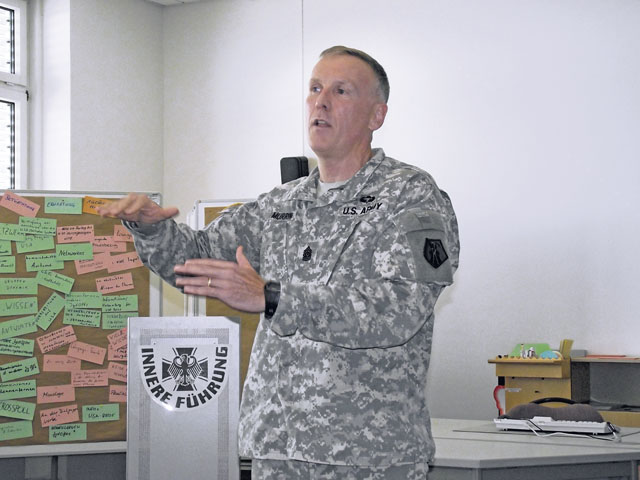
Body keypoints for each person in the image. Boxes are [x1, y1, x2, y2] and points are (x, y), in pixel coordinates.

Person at [99, 45, 460, 480]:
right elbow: (197, 260)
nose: (320, 102)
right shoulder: (282, 204)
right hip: (276, 449)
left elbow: (399, 310)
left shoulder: (409, 196)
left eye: (341, 91)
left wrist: (272, 297)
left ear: (376, 115)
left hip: (367, 455)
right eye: (314, 88)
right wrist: (152, 229)